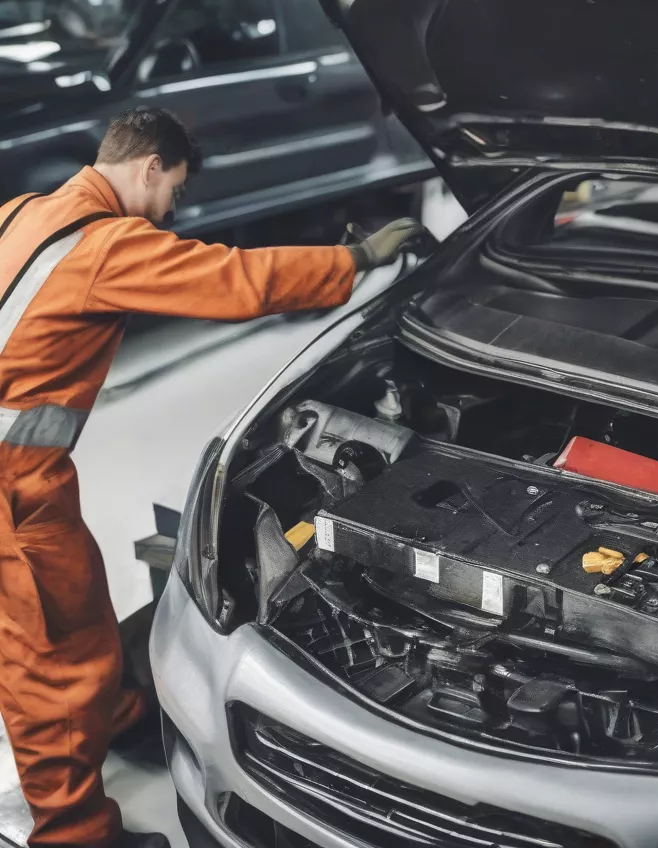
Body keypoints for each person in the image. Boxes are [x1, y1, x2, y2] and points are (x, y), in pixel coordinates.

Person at [0, 107, 423, 848]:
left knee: (79, 608)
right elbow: (236, 280)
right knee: (48, 665)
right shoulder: (104, 245)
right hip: (8, 492)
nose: (172, 212)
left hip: (32, 481)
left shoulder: (21, 215)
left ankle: (123, 721)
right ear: (149, 166)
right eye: (175, 191)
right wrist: (355, 259)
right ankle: (72, 836)